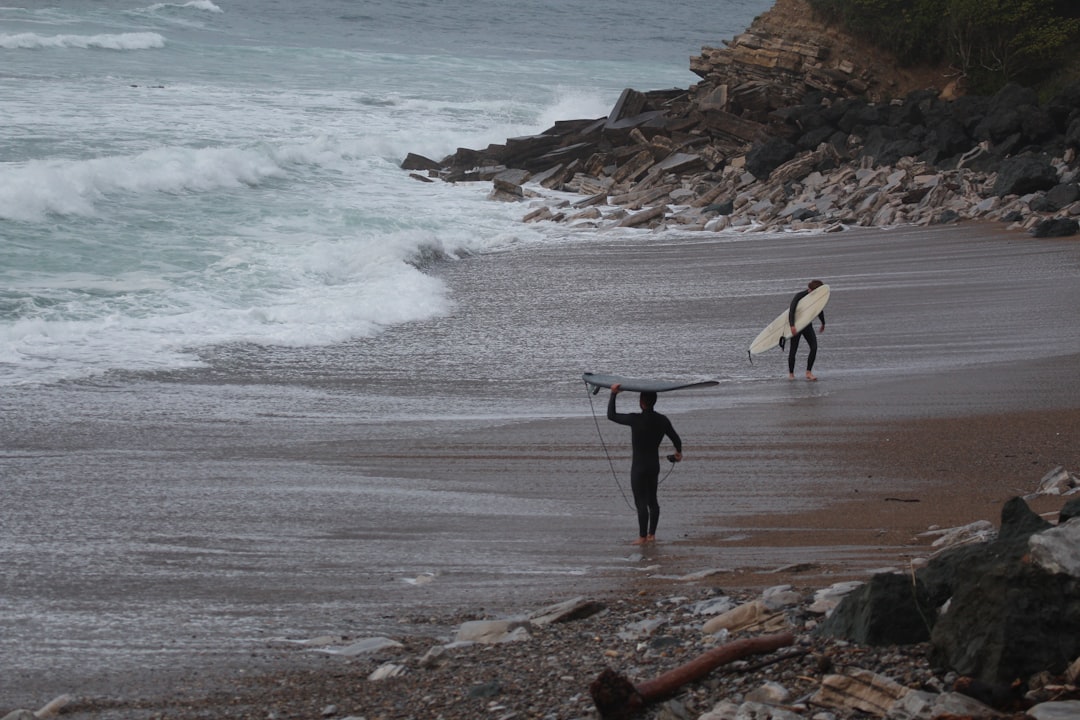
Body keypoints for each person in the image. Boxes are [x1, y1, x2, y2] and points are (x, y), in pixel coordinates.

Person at [607, 383, 683, 545]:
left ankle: (642, 537)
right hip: (653, 466)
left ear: (641, 402)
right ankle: (651, 535)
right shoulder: (663, 420)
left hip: (639, 468)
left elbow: (611, 415)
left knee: (640, 502)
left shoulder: (635, 419)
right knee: (652, 501)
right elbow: (676, 439)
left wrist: (613, 394)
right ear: (654, 401)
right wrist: (678, 453)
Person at [788, 279, 826, 381]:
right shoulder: (799, 296)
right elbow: (791, 311)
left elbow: (819, 310)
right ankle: (791, 374)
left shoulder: (815, 298)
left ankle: (808, 372)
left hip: (807, 325)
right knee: (793, 349)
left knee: (814, 347)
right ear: (811, 289)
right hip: (796, 325)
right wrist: (792, 326)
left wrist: (823, 322)